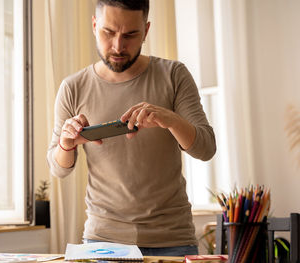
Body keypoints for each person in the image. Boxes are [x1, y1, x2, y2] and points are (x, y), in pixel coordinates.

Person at [47, 0, 216, 256]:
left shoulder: (174, 75)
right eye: (108, 32)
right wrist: (65, 144)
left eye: (130, 35)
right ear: (94, 25)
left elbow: (206, 148)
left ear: (146, 31)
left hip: (172, 240)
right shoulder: (73, 87)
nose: (118, 46)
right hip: (102, 242)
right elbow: (58, 168)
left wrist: (170, 120)